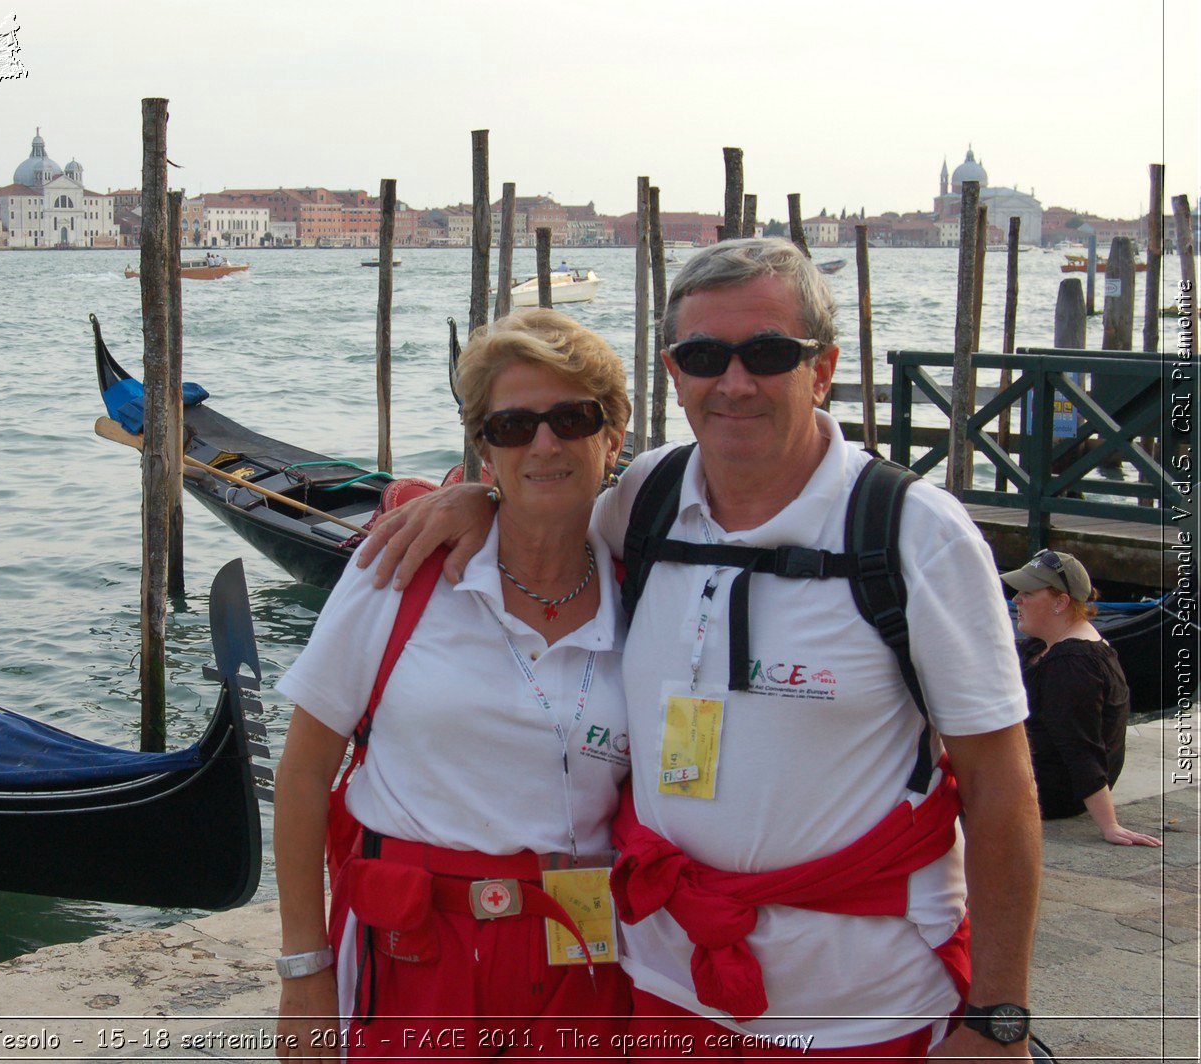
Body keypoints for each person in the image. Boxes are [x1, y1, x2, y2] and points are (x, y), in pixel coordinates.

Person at [360, 238, 1041, 1061]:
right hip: (664, 983)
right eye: (705, 356)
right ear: (675, 373)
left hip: (866, 1001)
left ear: (820, 370)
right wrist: (475, 498)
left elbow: (1001, 785)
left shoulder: (914, 536)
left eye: (767, 353)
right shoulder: (643, 502)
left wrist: (998, 1018)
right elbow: (544, 507)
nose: (735, 381)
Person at [273, 309, 635, 1060]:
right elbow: (304, 776)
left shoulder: (650, 592)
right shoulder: (398, 573)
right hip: (412, 954)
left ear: (614, 435)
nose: (544, 443)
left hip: (583, 958)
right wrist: (303, 970)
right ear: (483, 450)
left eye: (572, 418)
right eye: (512, 427)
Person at [1005, 549, 1161, 846]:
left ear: (1061, 602)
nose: (1016, 600)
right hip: (1040, 772)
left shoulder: (1073, 663)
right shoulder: (1045, 645)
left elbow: (1079, 744)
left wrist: (1109, 825)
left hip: (1053, 790)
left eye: (1027, 592)